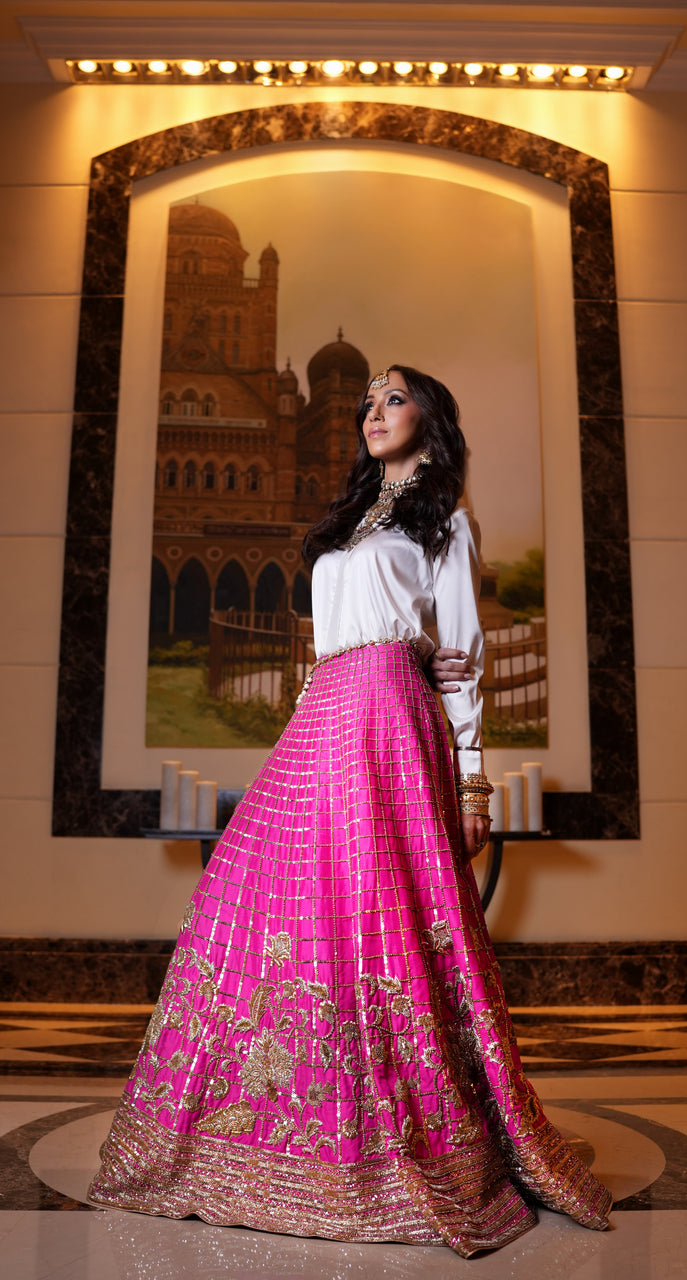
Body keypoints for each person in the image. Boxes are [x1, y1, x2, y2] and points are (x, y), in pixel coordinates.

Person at [89, 364, 611, 1256]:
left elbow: (464, 656)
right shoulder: (347, 522)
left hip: (388, 722)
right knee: (257, 909)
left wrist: (474, 778)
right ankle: (270, 1130)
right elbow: (326, 640)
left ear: (432, 419)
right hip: (322, 716)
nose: (373, 411)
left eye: (393, 398)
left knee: (381, 921)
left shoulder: (445, 522)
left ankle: (399, 1139)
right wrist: (303, 719)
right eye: (366, 401)